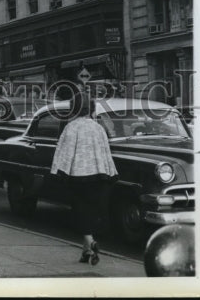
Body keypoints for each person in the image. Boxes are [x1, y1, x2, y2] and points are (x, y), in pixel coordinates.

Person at [50, 88, 118, 266]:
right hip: (99, 176)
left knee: (80, 212)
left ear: (74, 108)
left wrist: (59, 172)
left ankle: (91, 242)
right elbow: (106, 151)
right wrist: (111, 173)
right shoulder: (98, 128)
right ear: (91, 108)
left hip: (78, 176)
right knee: (90, 211)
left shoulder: (71, 128)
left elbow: (64, 151)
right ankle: (86, 253)